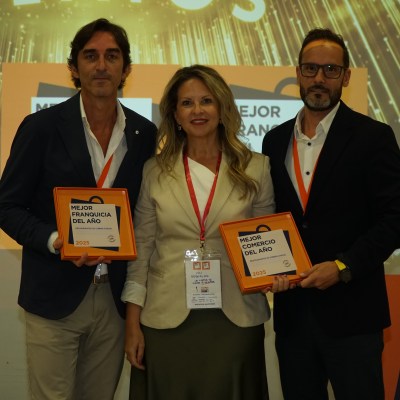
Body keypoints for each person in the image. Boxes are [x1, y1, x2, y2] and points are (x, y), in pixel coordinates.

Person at [0, 18, 156, 400]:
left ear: (126, 68)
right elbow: (7, 205)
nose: (101, 66)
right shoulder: (41, 127)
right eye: (90, 56)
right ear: (74, 66)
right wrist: (55, 240)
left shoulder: (144, 134)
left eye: (112, 56)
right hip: (54, 296)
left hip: (114, 299)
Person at [122, 64, 276, 400]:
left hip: (236, 317)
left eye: (206, 100)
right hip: (166, 318)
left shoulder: (257, 168)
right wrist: (132, 324)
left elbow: (267, 242)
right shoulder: (154, 171)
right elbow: (141, 251)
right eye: (187, 103)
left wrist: (277, 274)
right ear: (175, 115)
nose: (197, 110)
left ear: (222, 108)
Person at [262, 28, 400, 400]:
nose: (319, 78)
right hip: (293, 317)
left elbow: (394, 218)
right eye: (310, 68)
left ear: (346, 76)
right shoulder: (274, 140)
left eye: (330, 70)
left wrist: (342, 267)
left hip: (353, 316)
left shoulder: (374, 137)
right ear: (298, 73)